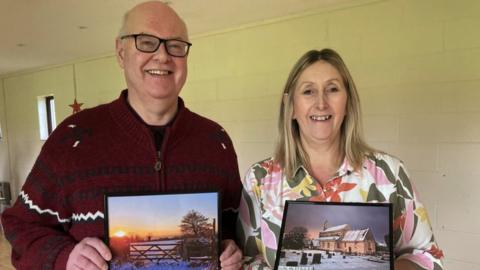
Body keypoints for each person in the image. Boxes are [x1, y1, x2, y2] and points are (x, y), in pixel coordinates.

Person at [1, 1, 242, 269]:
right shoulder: (72, 139)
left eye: (175, 45)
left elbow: (237, 228)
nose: (163, 56)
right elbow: (20, 224)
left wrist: (233, 249)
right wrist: (64, 257)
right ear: (120, 53)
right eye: (146, 41)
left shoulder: (215, 140)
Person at [236, 48, 444, 269]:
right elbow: (247, 259)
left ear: (347, 103)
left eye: (332, 89)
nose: (321, 103)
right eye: (308, 91)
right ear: (291, 107)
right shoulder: (260, 180)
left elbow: (428, 257)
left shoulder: (390, 173)